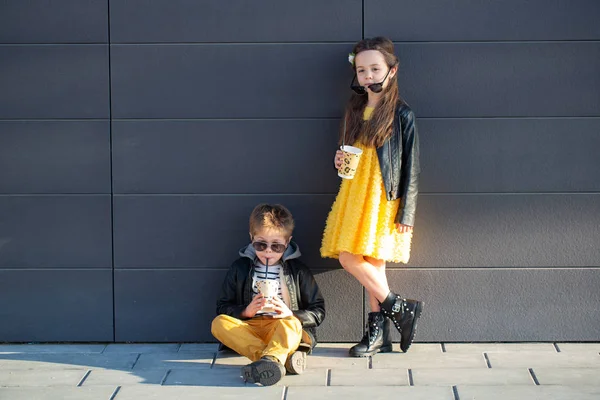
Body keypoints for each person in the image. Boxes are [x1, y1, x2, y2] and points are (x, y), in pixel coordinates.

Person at [321, 37, 423, 357]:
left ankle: (394, 315)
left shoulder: (403, 115)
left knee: (353, 259)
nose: (368, 75)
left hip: (382, 198)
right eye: (361, 69)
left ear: (392, 71)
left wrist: (407, 214)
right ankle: (388, 324)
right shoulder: (354, 109)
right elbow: (350, 155)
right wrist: (339, 160)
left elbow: (412, 169)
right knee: (370, 266)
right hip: (354, 193)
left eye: (374, 68)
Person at [211, 203, 325, 386]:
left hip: (283, 327)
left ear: (287, 243)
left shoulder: (298, 271)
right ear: (251, 238)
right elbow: (222, 306)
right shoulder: (240, 268)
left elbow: (318, 311)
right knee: (219, 323)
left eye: (276, 246)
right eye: (261, 244)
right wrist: (245, 312)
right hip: (252, 328)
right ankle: (277, 359)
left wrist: (290, 313)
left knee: (292, 324)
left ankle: (268, 360)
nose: (268, 251)